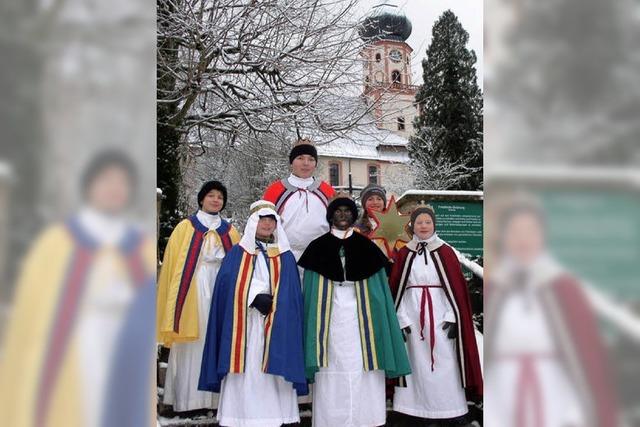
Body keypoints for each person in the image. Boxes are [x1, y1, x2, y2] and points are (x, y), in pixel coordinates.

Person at [0, 149, 156, 427]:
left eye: (122, 182)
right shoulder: (57, 243)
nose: (114, 189)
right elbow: (30, 314)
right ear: (89, 186)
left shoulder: (138, 246)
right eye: (106, 180)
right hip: (74, 351)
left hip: (125, 353)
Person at [484, 201, 618, 427]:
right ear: (504, 237)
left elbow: (588, 352)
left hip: (555, 389)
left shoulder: (564, 287)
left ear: (543, 237)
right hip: (503, 390)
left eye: (530, 231)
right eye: (515, 232)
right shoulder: (495, 287)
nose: (523, 240)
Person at [298, 194, 411, 427]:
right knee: (330, 366)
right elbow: (310, 291)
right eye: (338, 211)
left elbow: (379, 294)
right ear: (330, 216)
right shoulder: (317, 247)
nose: (342, 215)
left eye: (347, 211)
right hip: (328, 317)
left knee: (364, 366)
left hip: (362, 317)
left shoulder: (366, 247)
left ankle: (367, 419)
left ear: (353, 216)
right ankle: (331, 420)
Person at [199, 200, 308, 427]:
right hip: (246, 326)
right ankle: (242, 416)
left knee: (273, 367)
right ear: (253, 223)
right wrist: (253, 297)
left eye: (272, 220)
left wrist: (278, 303)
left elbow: (292, 291)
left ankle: (276, 416)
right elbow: (227, 287)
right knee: (249, 368)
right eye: (263, 219)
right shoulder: (238, 254)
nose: (267, 224)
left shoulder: (285, 255)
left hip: (276, 323)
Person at [389, 205, 483, 424]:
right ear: (412, 225)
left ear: (434, 225)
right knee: (414, 361)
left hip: (441, 315)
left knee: (444, 360)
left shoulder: (446, 252)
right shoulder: (404, 253)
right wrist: (401, 318)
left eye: (427, 222)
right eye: (419, 222)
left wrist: (453, 317)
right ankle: (413, 409)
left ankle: (448, 408)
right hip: (412, 314)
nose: (423, 226)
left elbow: (455, 289)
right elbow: (399, 288)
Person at [157, 180, 241, 412]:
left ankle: (217, 400)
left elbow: (241, 264)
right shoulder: (185, 227)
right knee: (194, 341)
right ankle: (189, 400)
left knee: (217, 337)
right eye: (211, 195)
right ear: (202, 199)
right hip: (192, 289)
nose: (216, 200)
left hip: (220, 288)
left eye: (220, 197)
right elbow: (172, 264)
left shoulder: (231, 231)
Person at [263, 138, 335, 260]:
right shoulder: (275, 190)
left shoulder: (327, 191)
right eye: (300, 158)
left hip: (321, 256)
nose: (306, 163)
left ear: (315, 164)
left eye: (311, 159)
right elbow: (262, 224)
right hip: (284, 256)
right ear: (292, 162)